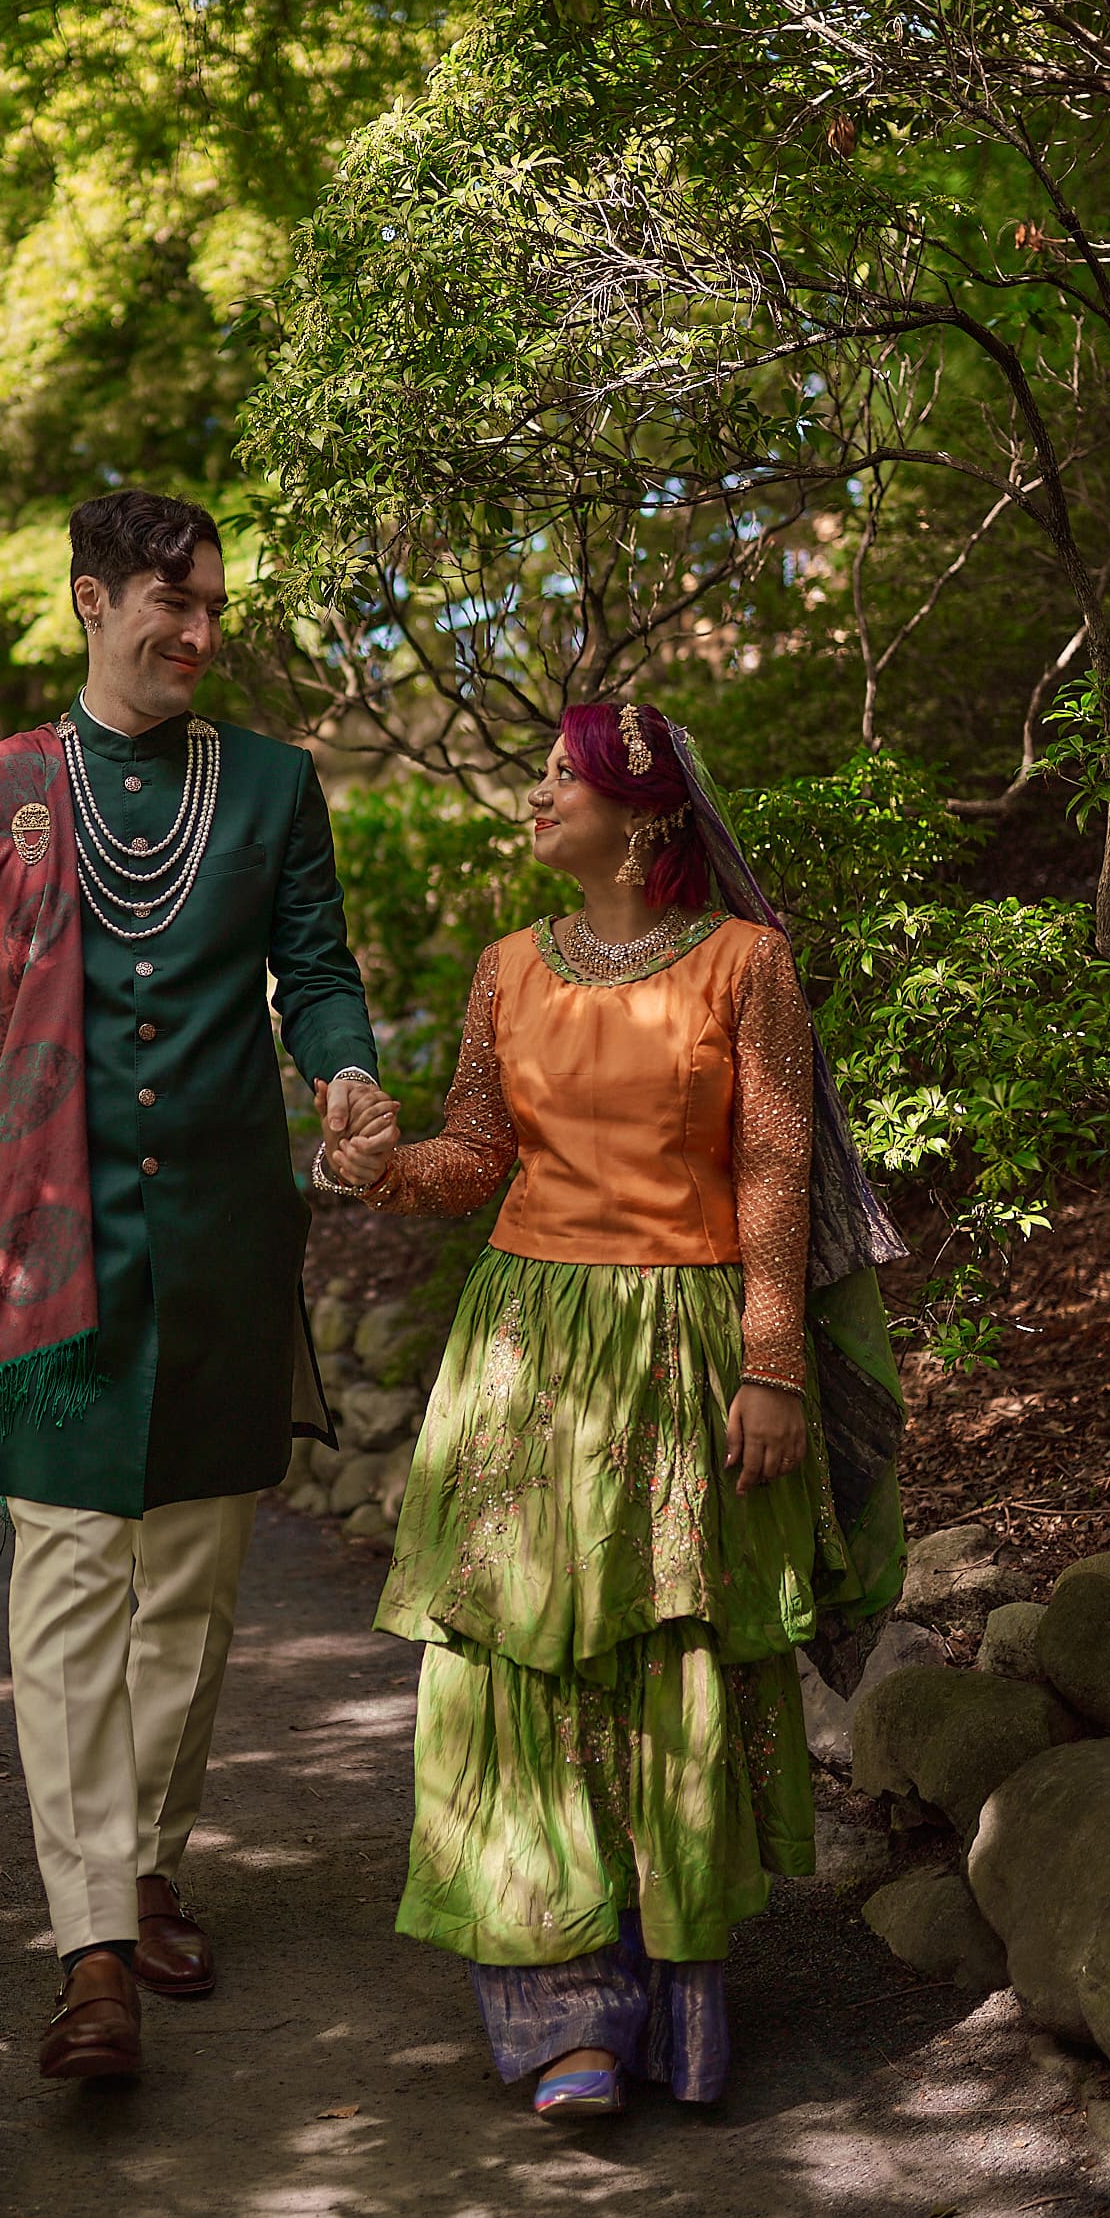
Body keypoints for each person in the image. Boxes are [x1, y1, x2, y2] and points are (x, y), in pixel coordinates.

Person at [317, 701, 907, 2121]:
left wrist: (773, 1365)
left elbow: (773, 1177)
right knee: (517, 1663)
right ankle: (561, 2016)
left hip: (685, 1349)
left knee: (668, 1658)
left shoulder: (746, 966)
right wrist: (379, 1167)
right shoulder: (507, 969)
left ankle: (670, 2009)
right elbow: (477, 1157)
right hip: (525, 1351)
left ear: (641, 815)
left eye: (558, 779)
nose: (534, 799)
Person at [0, 489, 396, 2085]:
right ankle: (91, 1944)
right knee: (62, 1592)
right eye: (170, 604)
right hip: (41, 1246)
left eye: (211, 608)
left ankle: (149, 1870)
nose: (195, 633)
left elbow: (315, 971)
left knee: (186, 1593)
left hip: (221, 1243)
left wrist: (344, 1072)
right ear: (91, 602)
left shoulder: (269, 786)